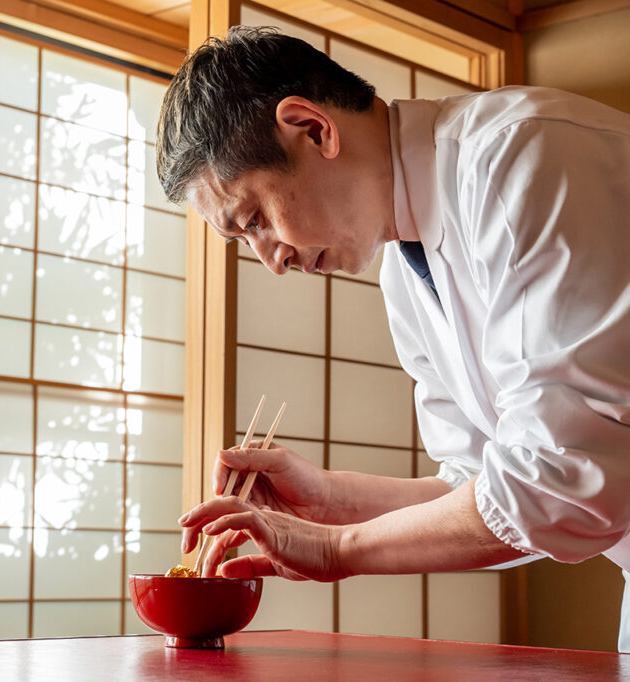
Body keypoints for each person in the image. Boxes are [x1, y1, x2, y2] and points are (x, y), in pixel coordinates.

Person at [158, 25, 630, 652]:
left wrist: (335, 550)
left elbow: (559, 478)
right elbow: (479, 485)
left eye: (256, 220)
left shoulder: (518, 156)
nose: (271, 259)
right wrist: (329, 501)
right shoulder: (404, 272)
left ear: (313, 128)